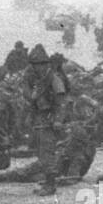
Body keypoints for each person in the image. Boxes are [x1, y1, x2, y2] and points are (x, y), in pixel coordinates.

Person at [23, 44, 68, 195]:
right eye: (35, 65)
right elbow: (30, 98)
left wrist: (58, 120)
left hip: (50, 119)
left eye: (40, 65)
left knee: (47, 152)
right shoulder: (36, 80)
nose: (37, 68)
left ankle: (50, 185)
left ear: (46, 64)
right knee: (41, 153)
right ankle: (48, 183)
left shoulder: (54, 80)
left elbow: (61, 102)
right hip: (39, 119)